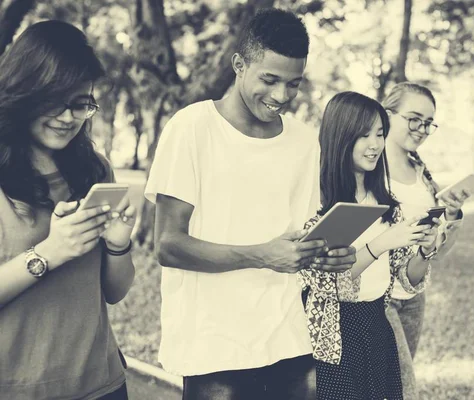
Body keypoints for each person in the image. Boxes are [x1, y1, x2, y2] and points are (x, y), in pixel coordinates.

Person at [144, 9, 356, 400]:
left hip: (288, 338)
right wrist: (262, 256)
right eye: (270, 80)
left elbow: (300, 236)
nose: (281, 96)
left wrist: (327, 254)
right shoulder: (191, 128)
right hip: (214, 347)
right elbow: (168, 245)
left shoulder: (305, 140)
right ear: (239, 65)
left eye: (293, 84)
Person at [0, 21, 137, 399]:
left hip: (101, 383)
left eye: (81, 103)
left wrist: (118, 245)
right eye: (55, 100)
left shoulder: (96, 170)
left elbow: (114, 292)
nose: (68, 117)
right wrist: (47, 253)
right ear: (24, 92)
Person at [300, 91, 440, 400]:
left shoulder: (387, 202)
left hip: (377, 322)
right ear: (341, 136)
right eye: (364, 135)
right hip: (334, 334)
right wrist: (380, 244)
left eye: (379, 134)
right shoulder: (319, 202)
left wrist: (425, 251)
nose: (375, 144)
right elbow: (326, 279)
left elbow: (407, 277)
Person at [381, 82, 471, 398]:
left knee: (388, 387)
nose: (421, 129)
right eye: (414, 119)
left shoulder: (421, 170)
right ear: (386, 113)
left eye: (428, 123)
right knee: (403, 388)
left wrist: (452, 215)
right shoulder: (367, 166)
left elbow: (435, 250)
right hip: (377, 297)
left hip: (414, 295)